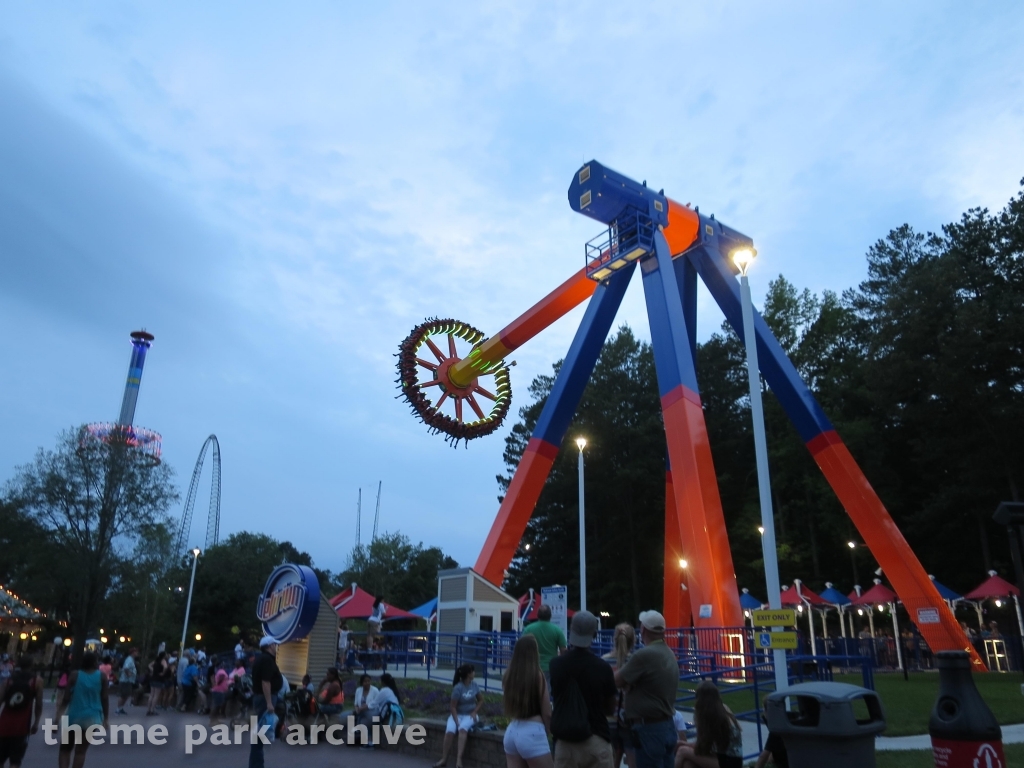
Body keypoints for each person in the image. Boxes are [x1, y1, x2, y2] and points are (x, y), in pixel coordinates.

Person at [550, 610, 617, 768]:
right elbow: (610, 708)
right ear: (594, 635)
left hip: (565, 743)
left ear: (571, 630)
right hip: (596, 738)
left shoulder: (556, 665)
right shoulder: (603, 668)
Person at [614, 611, 678, 768]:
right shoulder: (668, 653)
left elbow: (616, 681)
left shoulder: (644, 655)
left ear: (643, 630)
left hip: (649, 729)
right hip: (667, 725)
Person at [502, 634, 553, 768]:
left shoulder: (508, 675)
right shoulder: (538, 675)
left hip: (512, 731)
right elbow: (547, 712)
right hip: (532, 731)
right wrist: (548, 732)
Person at [674, 682, 743, 768]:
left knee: (682, 751)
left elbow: (703, 748)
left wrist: (683, 744)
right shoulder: (723, 708)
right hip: (726, 759)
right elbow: (707, 746)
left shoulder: (713, 716)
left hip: (727, 762)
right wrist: (683, 743)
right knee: (688, 764)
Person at [57, 651, 108, 768]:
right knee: (80, 751)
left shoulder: (75, 675)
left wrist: (57, 717)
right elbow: (105, 698)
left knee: (65, 749)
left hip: (73, 715)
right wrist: (106, 718)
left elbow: (66, 698)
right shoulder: (102, 677)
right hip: (92, 716)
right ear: (95, 663)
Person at [434, 664, 482, 767]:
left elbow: (481, 700)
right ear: (468, 674)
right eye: (472, 671)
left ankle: (459, 760)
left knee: (463, 729)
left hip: (470, 715)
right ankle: (444, 759)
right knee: (450, 731)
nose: (474, 673)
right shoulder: (458, 688)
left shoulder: (474, 685)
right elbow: (453, 707)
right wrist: (456, 721)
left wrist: (475, 711)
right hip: (457, 714)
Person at [602, 623, 637, 768]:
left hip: (608, 718)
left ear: (614, 639)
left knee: (610, 760)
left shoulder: (604, 661)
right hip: (630, 717)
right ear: (633, 640)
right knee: (632, 759)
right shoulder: (637, 661)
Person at [0, 656, 43, 768]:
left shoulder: (8, 680)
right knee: (15, 760)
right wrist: (36, 722)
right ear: (32, 665)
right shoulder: (36, 681)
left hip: (4, 723)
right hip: (22, 726)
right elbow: (39, 704)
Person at [249, 637, 283, 768]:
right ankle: (256, 765)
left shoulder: (261, 659)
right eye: (275, 644)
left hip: (262, 697)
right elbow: (265, 682)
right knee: (260, 736)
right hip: (265, 699)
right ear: (269, 646)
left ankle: (256, 764)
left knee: (260, 735)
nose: (276, 647)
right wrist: (269, 703)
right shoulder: (267, 660)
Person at [522, 605, 567, 683]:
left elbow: (522, 647)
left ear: (537, 615)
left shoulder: (528, 629)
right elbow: (564, 651)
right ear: (550, 616)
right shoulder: (557, 630)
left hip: (532, 666)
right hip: (550, 667)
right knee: (547, 692)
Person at [114, 647, 138, 715]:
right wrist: (129, 674)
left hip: (129, 681)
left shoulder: (131, 659)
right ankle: (118, 709)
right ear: (133, 653)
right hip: (126, 680)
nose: (137, 653)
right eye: (136, 652)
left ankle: (120, 708)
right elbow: (126, 668)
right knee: (123, 695)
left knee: (126, 695)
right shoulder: (129, 660)